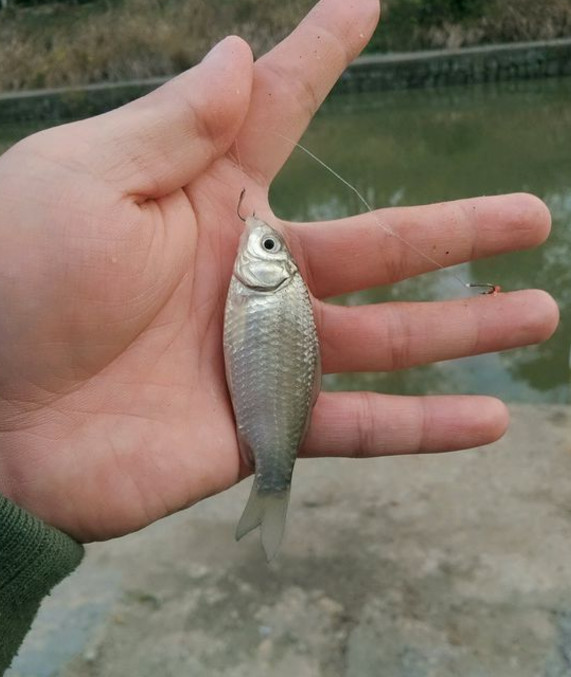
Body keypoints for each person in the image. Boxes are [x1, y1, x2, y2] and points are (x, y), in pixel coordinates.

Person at [0, 0, 559, 669]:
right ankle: (274, 483)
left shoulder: (264, 282)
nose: (253, 242)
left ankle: (274, 483)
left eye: (263, 244)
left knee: (284, 443)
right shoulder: (258, 282)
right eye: (267, 242)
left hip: (252, 402)